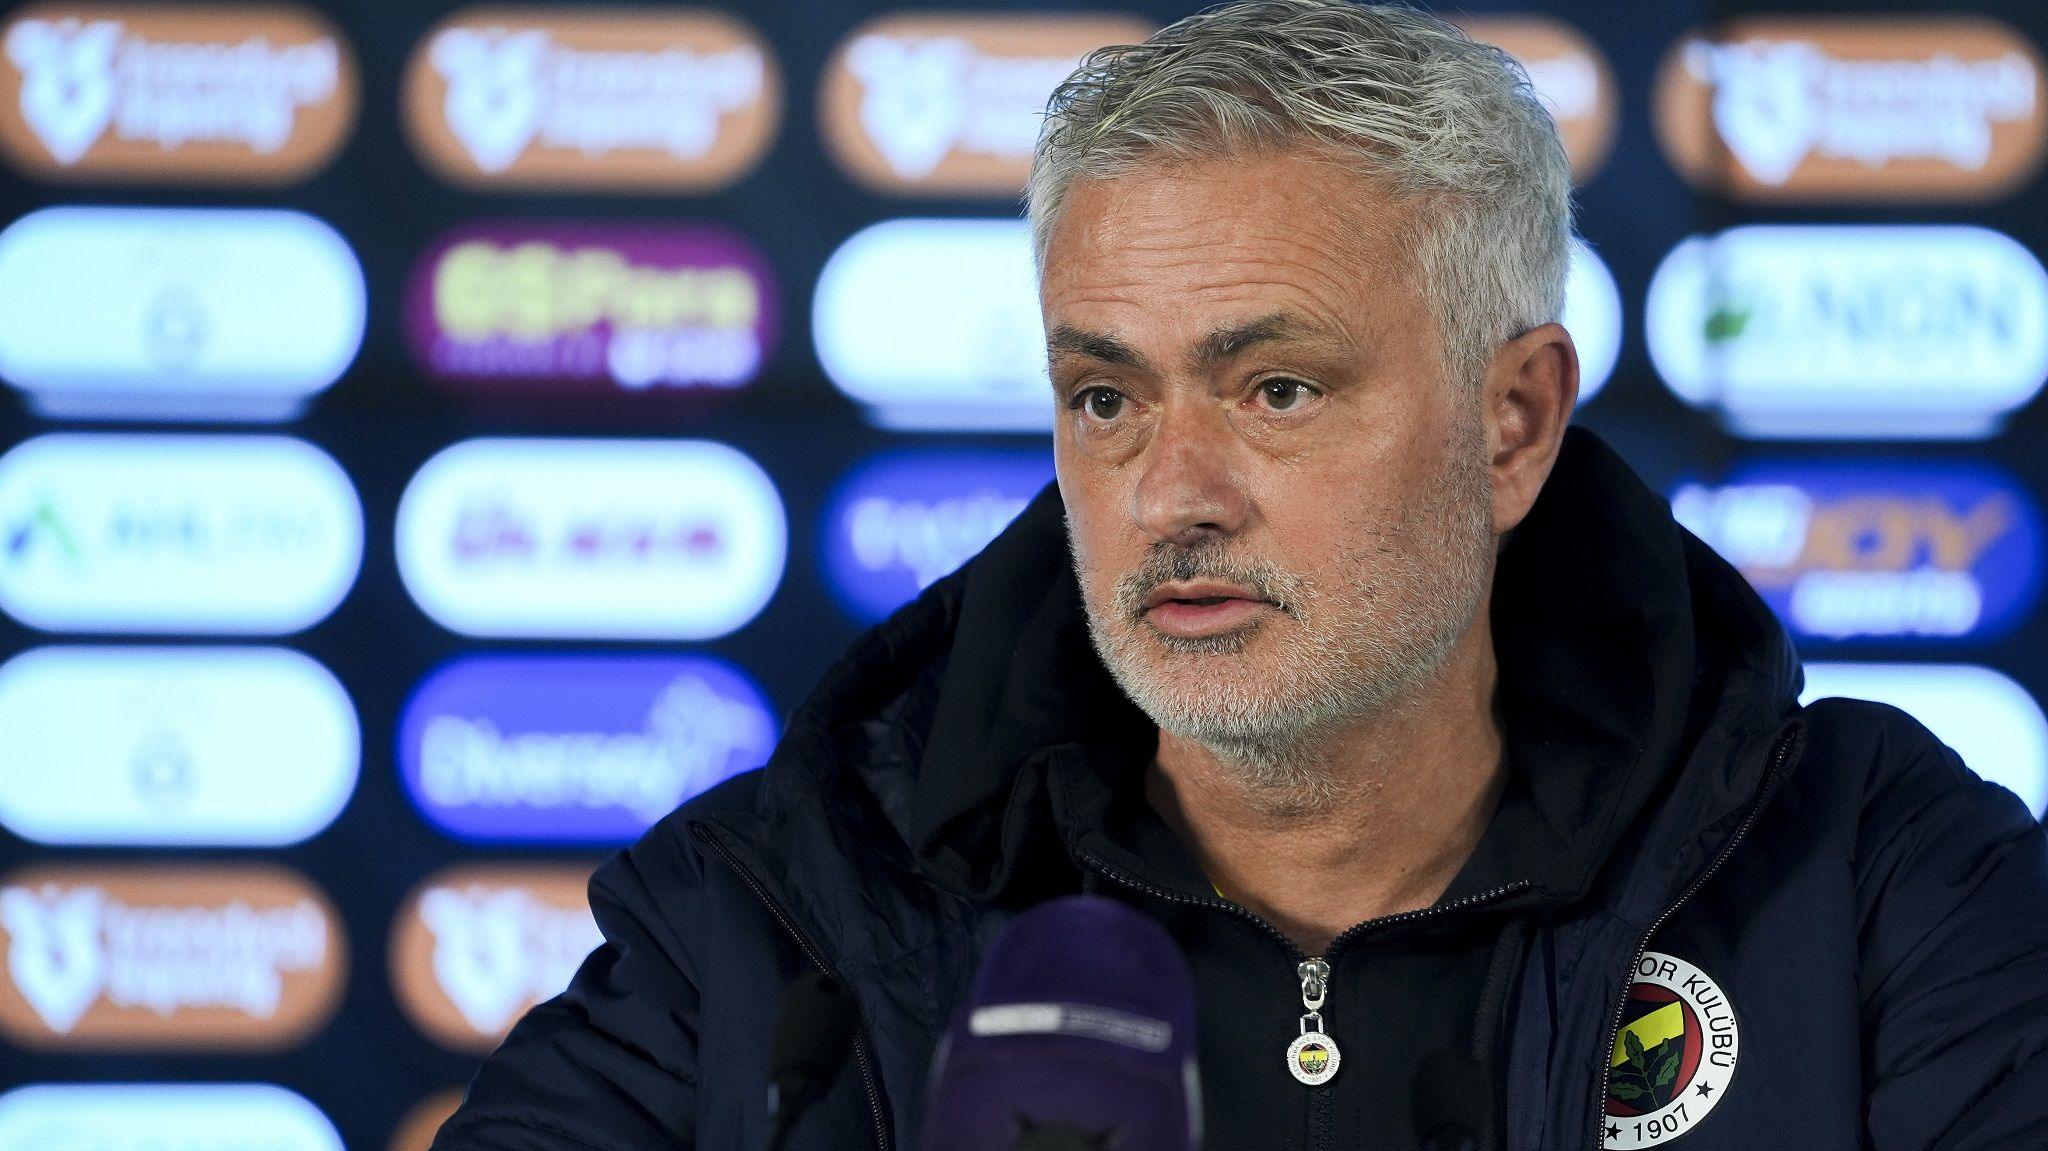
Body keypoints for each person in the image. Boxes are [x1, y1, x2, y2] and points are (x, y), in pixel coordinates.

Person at [430, 2, 2048, 1148]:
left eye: (1276, 389)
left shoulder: (1876, 885)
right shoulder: (778, 921)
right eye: (1106, 398)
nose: (1169, 496)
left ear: (1513, 420)